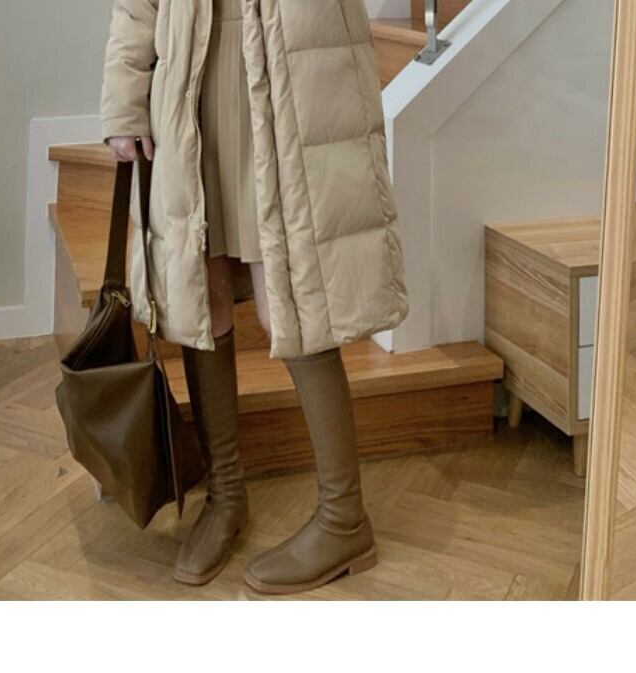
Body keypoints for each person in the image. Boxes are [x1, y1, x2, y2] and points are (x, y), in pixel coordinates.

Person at [101, 0, 408, 595]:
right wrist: (124, 100)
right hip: (190, 78)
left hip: (289, 79)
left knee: (292, 303)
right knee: (204, 297)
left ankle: (344, 518)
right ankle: (225, 496)